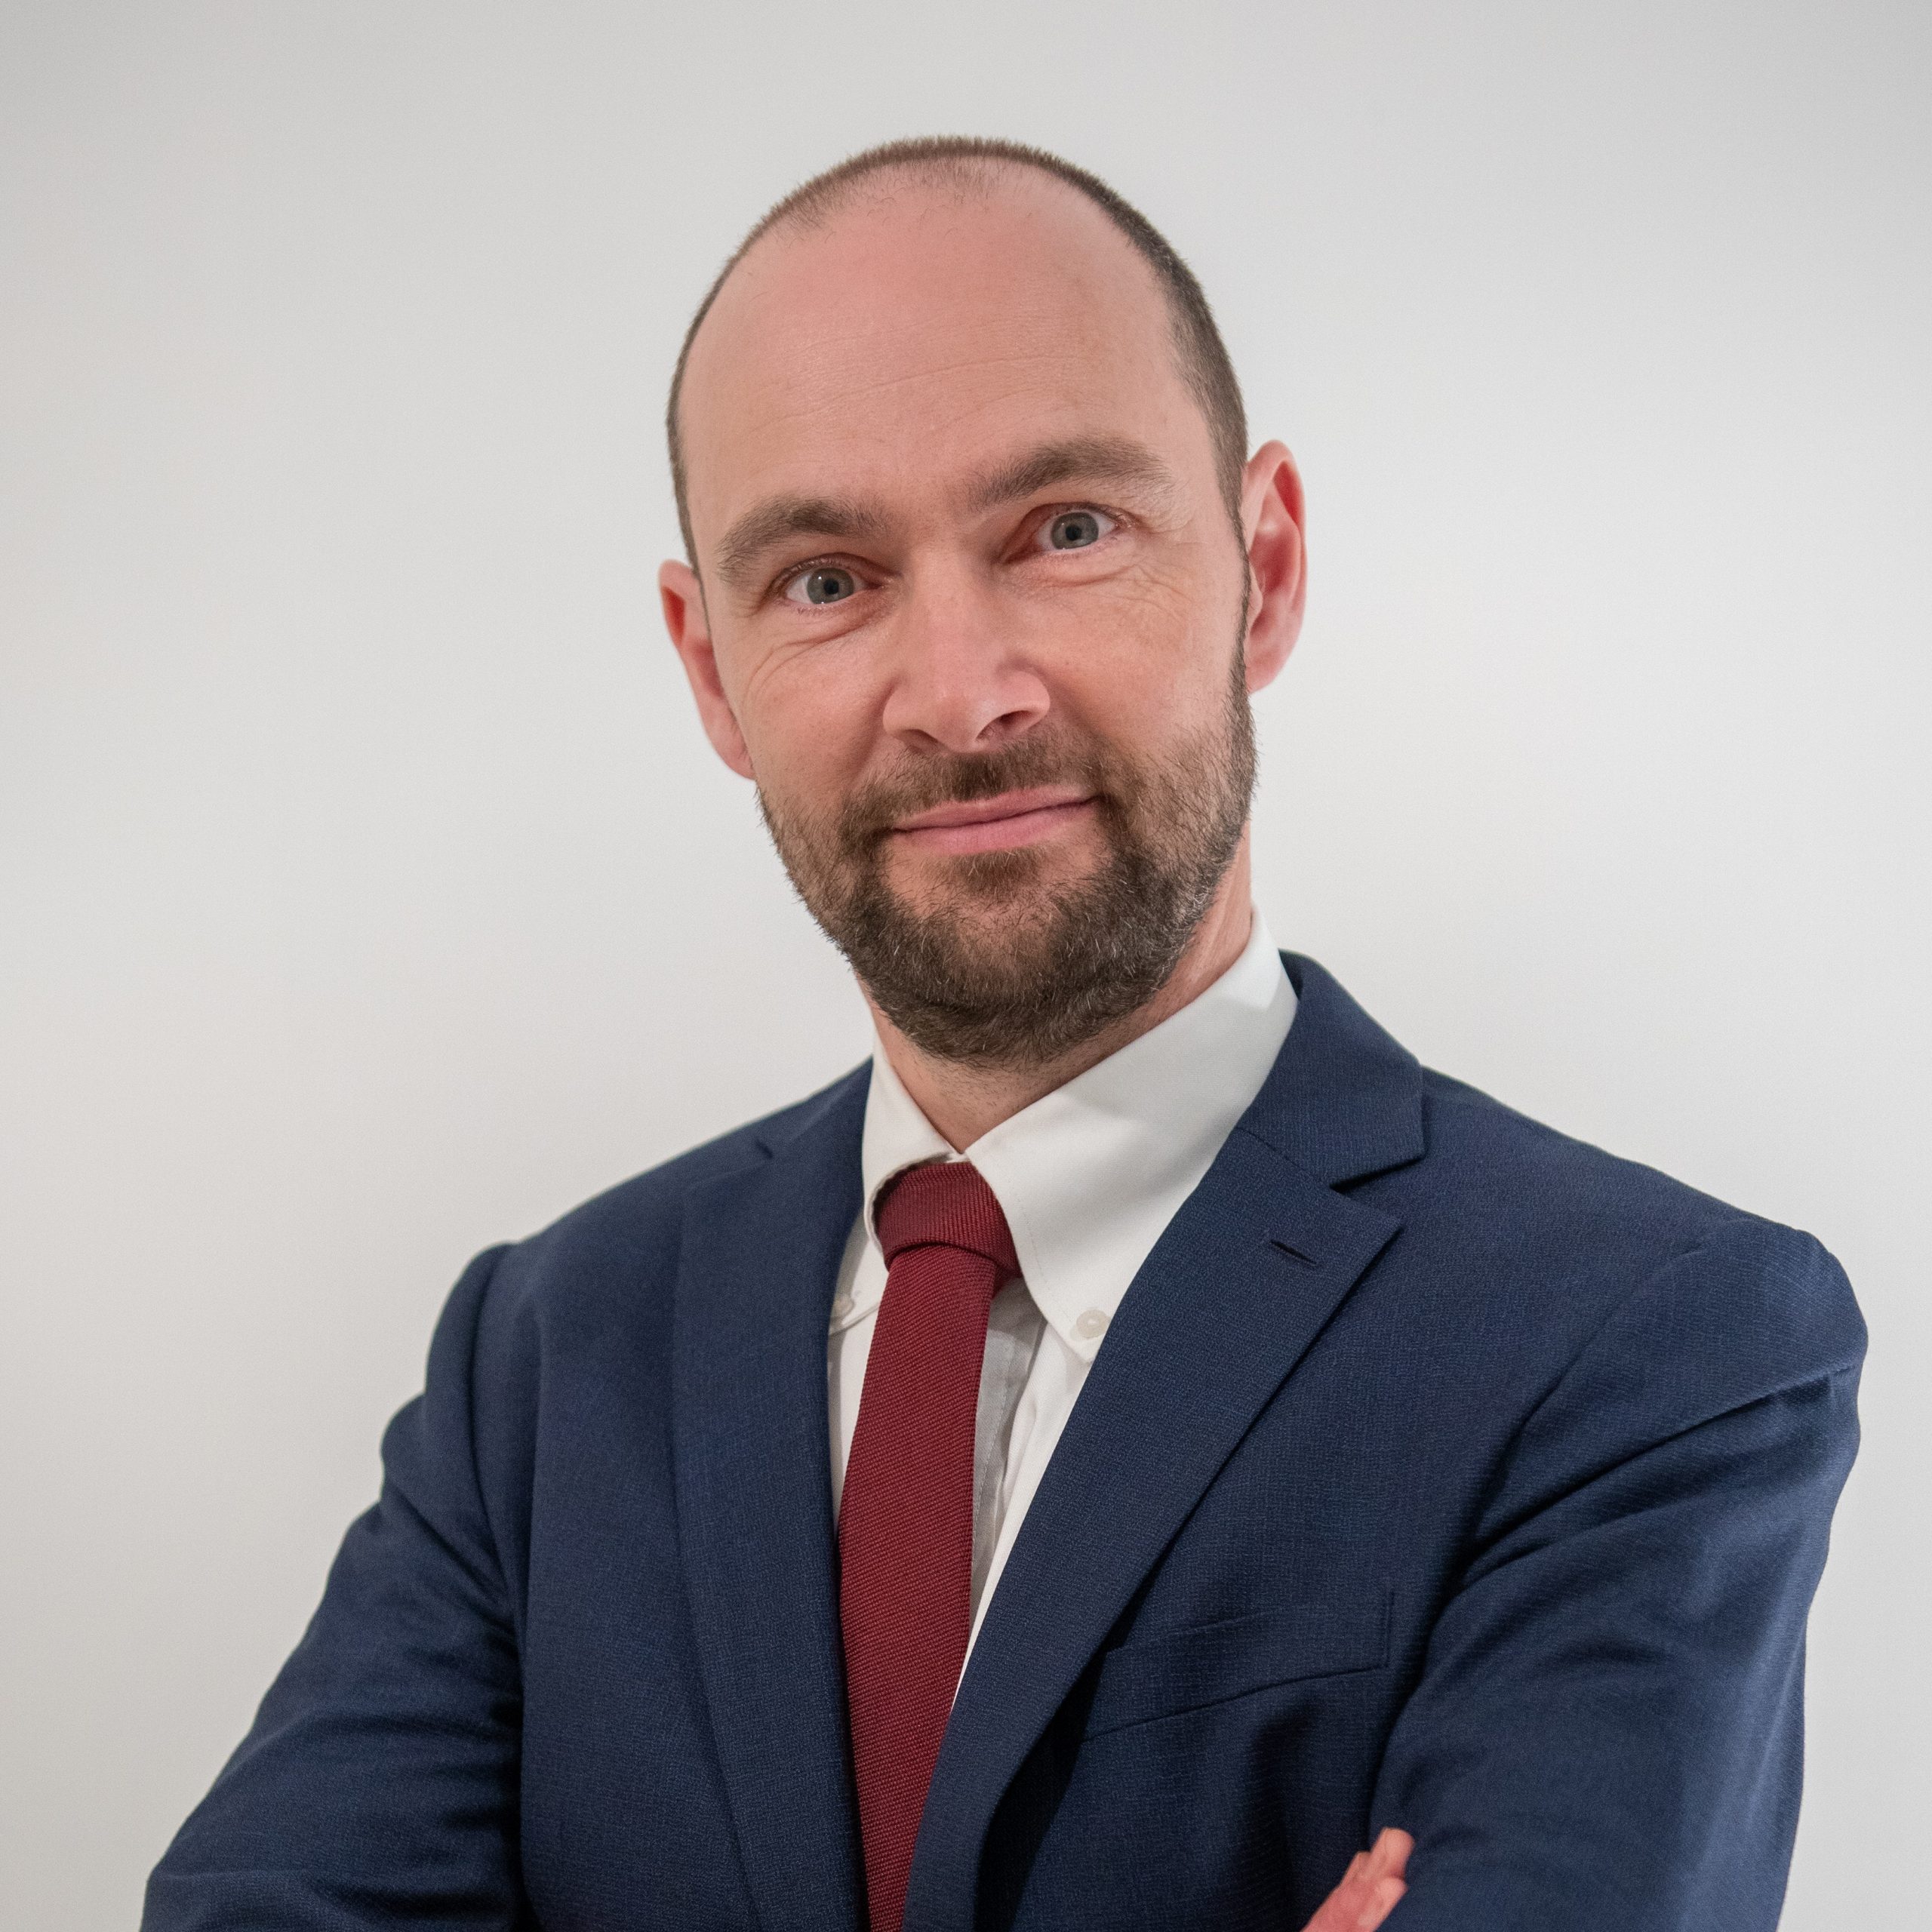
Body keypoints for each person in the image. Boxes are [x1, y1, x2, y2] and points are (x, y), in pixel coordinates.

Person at [143, 137, 1864, 1932]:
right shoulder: (545, 1356)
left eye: (1064, 531)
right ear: (709, 665)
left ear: (1261, 567)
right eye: (824, 576)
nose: (962, 696)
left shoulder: (1647, 1344)